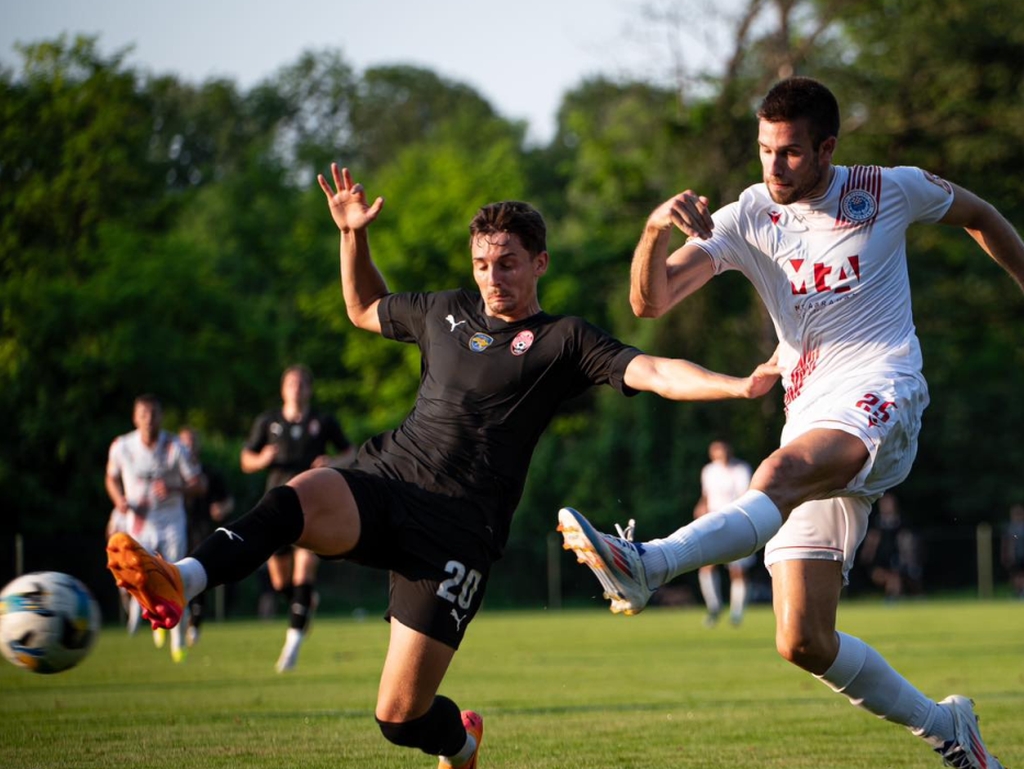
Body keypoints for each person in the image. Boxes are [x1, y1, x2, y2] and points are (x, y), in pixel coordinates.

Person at [106, 163, 781, 769]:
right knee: (293, 499)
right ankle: (182, 579)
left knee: (398, 718)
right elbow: (363, 308)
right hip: (386, 477)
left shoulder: (562, 340)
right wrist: (353, 236)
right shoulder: (444, 310)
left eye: (509, 262)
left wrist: (737, 383)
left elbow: (654, 368)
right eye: (484, 262)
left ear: (540, 262)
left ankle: (461, 744)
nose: (493, 275)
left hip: (457, 534)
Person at [559, 76, 1023, 769]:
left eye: (791, 153)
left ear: (827, 148)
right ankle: (947, 727)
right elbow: (650, 302)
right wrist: (655, 230)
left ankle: (645, 563)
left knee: (777, 472)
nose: (773, 166)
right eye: (764, 150)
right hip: (809, 412)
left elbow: (982, 214)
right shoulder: (748, 215)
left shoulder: (887, 189)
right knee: (802, 638)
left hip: (885, 390)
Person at [240, 364, 355, 672]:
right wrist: (262, 458)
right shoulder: (268, 422)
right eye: (292, 383)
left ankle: (291, 646)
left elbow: (351, 452)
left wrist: (333, 461)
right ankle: (302, 605)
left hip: (313, 508)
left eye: (303, 383)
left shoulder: (323, 421)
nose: (297, 388)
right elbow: (245, 459)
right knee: (281, 582)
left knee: (304, 574)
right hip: (276, 508)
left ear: (309, 389)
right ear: (282, 389)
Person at [104, 394, 203, 663]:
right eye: (143, 414)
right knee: (136, 578)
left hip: (171, 522)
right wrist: (118, 499)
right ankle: (149, 616)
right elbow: (111, 477)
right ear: (135, 418)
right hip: (138, 523)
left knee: (175, 578)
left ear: (161, 416)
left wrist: (174, 487)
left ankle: (178, 638)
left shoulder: (175, 447)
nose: (149, 419)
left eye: (154, 413)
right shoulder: (122, 446)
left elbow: (199, 483)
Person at [178, 426, 235, 647]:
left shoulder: (210, 473)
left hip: (201, 530)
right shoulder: (171, 473)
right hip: (175, 529)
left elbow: (228, 499)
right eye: (185, 442)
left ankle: (196, 621)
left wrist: (222, 507)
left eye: (193, 442)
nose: (189, 447)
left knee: (197, 573)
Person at [694, 440, 754, 626]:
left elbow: (746, 495)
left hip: (735, 522)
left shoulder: (741, 469)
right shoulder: (709, 471)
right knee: (707, 566)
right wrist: (701, 507)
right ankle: (714, 607)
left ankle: (737, 612)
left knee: (738, 570)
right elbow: (706, 495)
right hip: (712, 523)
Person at [858, 493, 921, 600]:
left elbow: (907, 541)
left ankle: (895, 598)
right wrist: (867, 555)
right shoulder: (875, 523)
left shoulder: (901, 522)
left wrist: (908, 559)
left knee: (898, 577)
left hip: (898, 561)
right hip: (880, 562)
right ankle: (893, 598)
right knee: (892, 578)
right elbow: (870, 543)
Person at [1001, 502, 1024, 599]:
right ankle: (1018, 593)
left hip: (1019, 555)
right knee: (1015, 576)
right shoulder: (1009, 527)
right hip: (1014, 556)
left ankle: (1021, 593)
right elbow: (1005, 543)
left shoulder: (1012, 528)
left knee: (1020, 575)